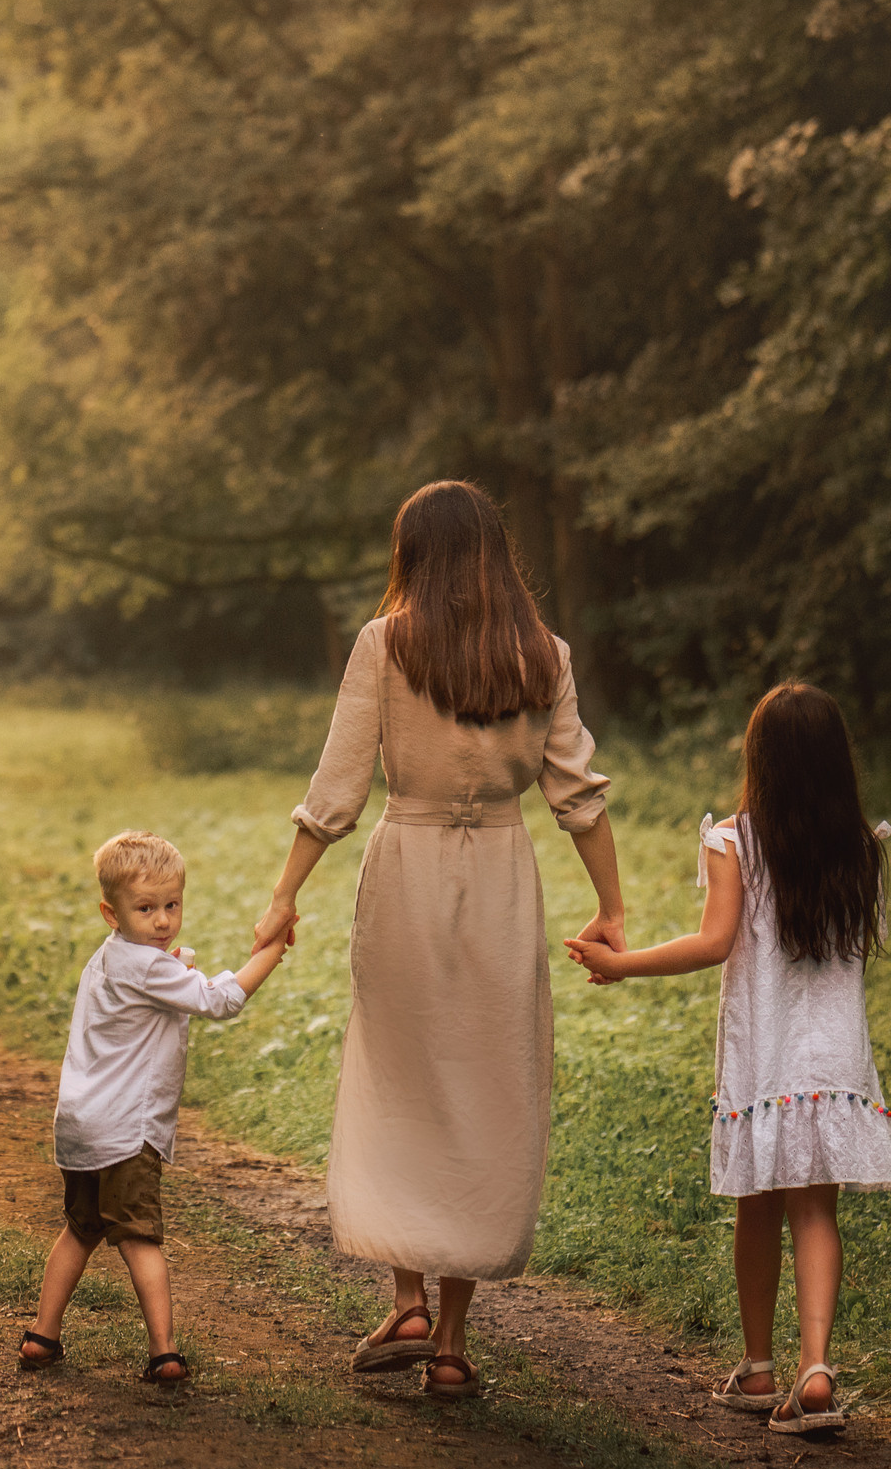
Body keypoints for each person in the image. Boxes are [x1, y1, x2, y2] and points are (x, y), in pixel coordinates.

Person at [252, 481, 624, 1399]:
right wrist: (611, 907)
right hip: (501, 879)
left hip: (407, 874)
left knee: (402, 1078)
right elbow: (578, 797)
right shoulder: (544, 655)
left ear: (412, 555)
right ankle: (451, 1343)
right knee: (485, 1087)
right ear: (497, 553)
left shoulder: (386, 644)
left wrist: (284, 893)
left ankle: (408, 1300)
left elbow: (336, 790)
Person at [565, 682, 891, 1434]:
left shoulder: (733, 844)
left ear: (760, 761)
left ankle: (758, 1366)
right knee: (816, 1211)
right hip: (834, 1060)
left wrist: (623, 964)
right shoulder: (860, 850)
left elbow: (714, 942)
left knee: (757, 1205)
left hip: (765, 1057)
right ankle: (816, 1367)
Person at [21, 830, 287, 1383]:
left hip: (82, 1126)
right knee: (139, 1236)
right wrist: (273, 951)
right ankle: (164, 1352)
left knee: (81, 1229)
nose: (163, 920)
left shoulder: (108, 960)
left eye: (172, 905)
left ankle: (42, 1336)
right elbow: (219, 1000)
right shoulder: (145, 966)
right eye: (146, 908)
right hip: (124, 1130)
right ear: (111, 913)